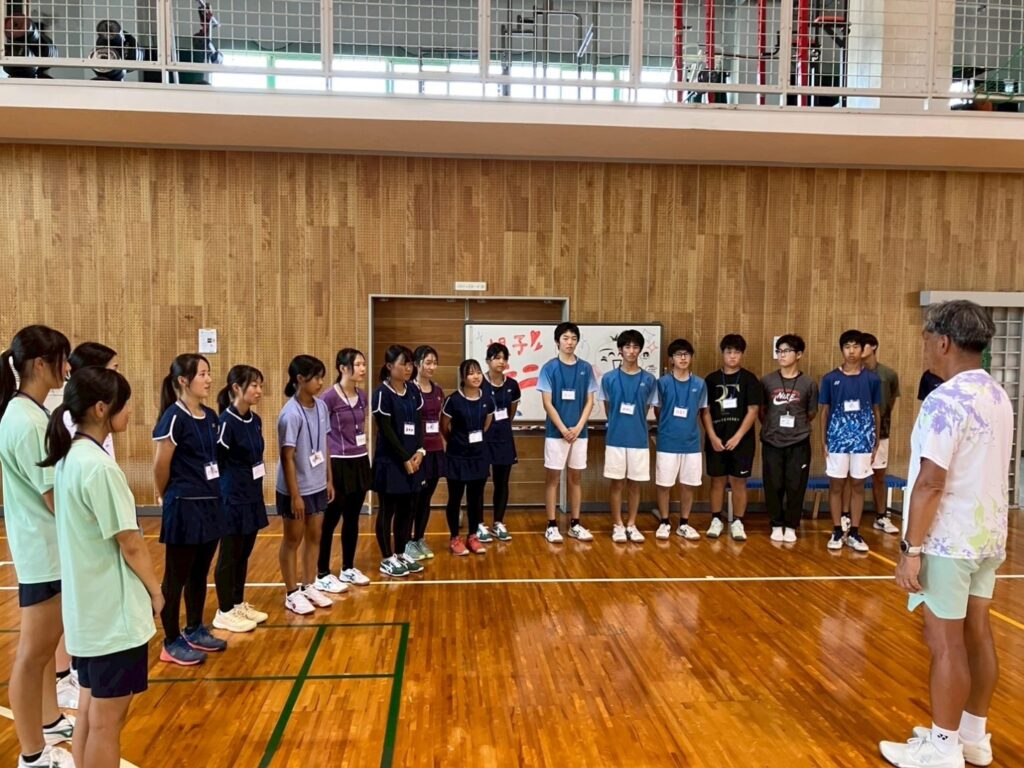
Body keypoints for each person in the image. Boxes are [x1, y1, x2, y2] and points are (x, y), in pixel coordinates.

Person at [880, 300, 1012, 768]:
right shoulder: (997, 394)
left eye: (925, 338)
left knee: (945, 643)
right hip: (988, 535)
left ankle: (942, 747)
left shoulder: (945, 400)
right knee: (977, 634)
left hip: (949, 540)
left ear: (943, 342)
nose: (924, 346)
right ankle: (972, 737)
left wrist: (911, 548)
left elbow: (931, 481)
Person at [44, 367, 161, 768]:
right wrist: (156, 592)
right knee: (107, 724)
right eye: (124, 405)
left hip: (88, 613)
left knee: (91, 714)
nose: (129, 412)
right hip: (112, 618)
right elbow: (130, 542)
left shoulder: (69, 459)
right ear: (100, 409)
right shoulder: (99, 467)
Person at [0, 325, 76, 767]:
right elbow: (52, 497)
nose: (68, 368)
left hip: (47, 551)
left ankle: (49, 721)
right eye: (63, 359)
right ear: (41, 364)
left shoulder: (30, 412)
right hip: (42, 553)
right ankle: (31, 755)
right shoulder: (26, 421)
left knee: (45, 648)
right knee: (32, 655)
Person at [153, 353, 227, 665]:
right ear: (183, 381)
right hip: (184, 507)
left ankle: (194, 628)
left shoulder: (210, 416)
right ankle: (170, 641)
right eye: (202, 374)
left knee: (199, 572)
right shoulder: (174, 417)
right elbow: (161, 465)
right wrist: (166, 495)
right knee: (176, 577)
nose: (208, 380)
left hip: (210, 504)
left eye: (209, 373)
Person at [276, 355, 336, 615]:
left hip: (317, 485)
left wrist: (328, 479)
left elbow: (325, 445)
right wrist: (295, 495)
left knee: (315, 536)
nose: (320, 383)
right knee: (293, 539)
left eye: (322, 377)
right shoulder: (290, 414)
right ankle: (291, 593)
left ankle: (309, 584)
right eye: (316, 378)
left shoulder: (321, 407)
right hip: (296, 489)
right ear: (299, 379)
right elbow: (287, 457)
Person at [212, 365, 268, 632]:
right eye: (254, 385)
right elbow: (218, 461)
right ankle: (224, 611)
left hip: (252, 495)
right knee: (230, 555)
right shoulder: (226, 422)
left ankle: (237, 602)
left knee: (244, 552)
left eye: (260, 385)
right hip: (232, 497)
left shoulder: (255, 420)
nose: (259, 391)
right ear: (236, 388)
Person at [818, 330, 880, 553]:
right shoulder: (830, 379)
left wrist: (876, 440)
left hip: (863, 440)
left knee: (858, 485)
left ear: (862, 350)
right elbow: (824, 411)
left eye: (856, 346)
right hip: (837, 439)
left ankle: (854, 531)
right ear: (841, 349)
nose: (851, 351)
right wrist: (824, 440)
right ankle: (837, 530)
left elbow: (876, 410)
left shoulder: (872, 379)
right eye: (847, 347)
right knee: (836, 485)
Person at [316, 348, 373, 590]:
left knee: (352, 518)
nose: (362, 369)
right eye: (358, 364)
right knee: (330, 520)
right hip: (338, 462)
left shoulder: (363, 396)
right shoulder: (328, 398)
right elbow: (322, 435)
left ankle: (348, 568)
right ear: (343, 368)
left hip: (360, 460)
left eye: (363, 364)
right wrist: (327, 474)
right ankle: (322, 573)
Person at [537, 322, 597, 543]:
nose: (569, 342)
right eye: (565, 338)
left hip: (579, 433)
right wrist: (563, 429)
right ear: (557, 341)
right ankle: (552, 525)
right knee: (553, 478)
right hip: (556, 433)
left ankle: (575, 524)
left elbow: (590, 401)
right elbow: (547, 403)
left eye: (573, 338)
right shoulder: (549, 368)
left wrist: (578, 427)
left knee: (576, 478)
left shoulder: (586, 368)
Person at [372, 345, 426, 577]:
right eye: (404, 363)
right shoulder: (382, 394)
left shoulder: (413, 391)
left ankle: (401, 552)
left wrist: (420, 451)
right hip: (390, 462)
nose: (408, 368)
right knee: (388, 510)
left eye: (411, 363)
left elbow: (419, 423)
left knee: (408, 509)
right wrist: (404, 457)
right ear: (389, 366)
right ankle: (387, 558)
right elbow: (386, 430)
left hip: (414, 460)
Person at [598, 329, 657, 543]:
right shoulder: (609, 378)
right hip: (616, 439)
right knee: (617, 484)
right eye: (627, 347)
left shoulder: (649, 379)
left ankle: (631, 524)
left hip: (639, 439)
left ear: (640, 350)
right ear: (620, 350)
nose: (631, 351)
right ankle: (618, 525)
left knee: (635, 484)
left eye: (635, 347)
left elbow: (647, 408)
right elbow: (608, 408)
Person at [701, 334, 762, 541]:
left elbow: (753, 411)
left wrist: (737, 437)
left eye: (737, 352)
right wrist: (712, 437)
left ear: (742, 354)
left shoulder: (750, 379)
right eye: (729, 352)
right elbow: (705, 411)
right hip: (716, 440)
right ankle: (716, 519)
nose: (733, 356)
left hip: (742, 441)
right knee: (717, 481)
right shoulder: (711, 380)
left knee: (738, 482)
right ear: (723, 353)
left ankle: (737, 521)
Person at [760, 335, 818, 543]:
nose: (782, 355)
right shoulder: (767, 381)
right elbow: (762, 411)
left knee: (796, 486)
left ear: (799, 354)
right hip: (772, 441)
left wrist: (797, 427)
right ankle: (776, 524)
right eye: (779, 351)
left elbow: (811, 412)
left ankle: (791, 525)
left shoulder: (808, 383)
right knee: (773, 484)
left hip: (798, 442)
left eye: (786, 351)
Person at [654, 338, 707, 541]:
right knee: (664, 484)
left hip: (691, 443)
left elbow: (702, 410)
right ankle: (664, 521)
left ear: (691, 357)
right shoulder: (663, 383)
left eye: (686, 354)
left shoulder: (699, 384)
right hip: (667, 442)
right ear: (671, 359)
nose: (683, 358)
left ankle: (684, 523)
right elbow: (658, 410)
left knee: (688, 484)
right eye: (678, 355)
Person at [442, 359, 495, 555]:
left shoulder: (487, 399)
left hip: (479, 455)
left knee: (476, 498)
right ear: (463, 377)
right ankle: (455, 538)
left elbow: (487, 423)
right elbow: (444, 426)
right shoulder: (453, 400)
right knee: (455, 498)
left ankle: (473, 536)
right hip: (457, 456)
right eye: (471, 373)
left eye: (478, 372)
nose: (476, 376)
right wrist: (457, 441)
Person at [861, 333, 901, 535]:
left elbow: (891, 401)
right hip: (856, 433)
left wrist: (879, 421)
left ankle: (880, 516)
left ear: (874, 346)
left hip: (880, 433)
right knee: (854, 477)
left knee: (879, 476)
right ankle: (847, 517)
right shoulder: (853, 373)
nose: (858, 349)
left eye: (863, 345)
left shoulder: (888, 374)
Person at [481, 343, 521, 542]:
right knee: (478, 482)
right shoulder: (479, 382)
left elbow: (511, 413)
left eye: (504, 358)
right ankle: (478, 523)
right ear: (488, 360)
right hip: (482, 439)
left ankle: (498, 522)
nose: (501, 362)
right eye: (496, 357)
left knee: (502, 482)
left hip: (504, 438)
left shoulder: (512, 385)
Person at [409, 345, 444, 559]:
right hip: (416, 452)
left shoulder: (438, 390)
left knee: (426, 498)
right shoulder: (410, 389)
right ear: (416, 364)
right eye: (428, 362)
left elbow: (439, 420)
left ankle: (419, 538)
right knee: (413, 498)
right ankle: (406, 542)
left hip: (435, 449)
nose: (432, 367)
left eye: (434, 363)